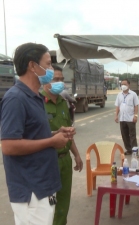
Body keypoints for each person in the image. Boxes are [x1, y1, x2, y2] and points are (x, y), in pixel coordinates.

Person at [0, 43, 74, 225]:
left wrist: (57, 133)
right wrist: (51, 142)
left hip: (43, 185)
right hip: (31, 190)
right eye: (48, 64)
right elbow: (8, 145)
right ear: (32, 66)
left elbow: (31, 134)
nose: (50, 69)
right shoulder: (16, 99)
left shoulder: (35, 97)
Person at [41, 64, 83, 225]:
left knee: (63, 202)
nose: (60, 83)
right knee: (48, 203)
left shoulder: (63, 102)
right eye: (56, 79)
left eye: (62, 80)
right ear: (45, 81)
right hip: (48, 160)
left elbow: (68, 134)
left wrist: (76, 155)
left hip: (65, 160)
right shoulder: (38, 103)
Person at [114, 79, 139, 155]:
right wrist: (116, 115)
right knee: (124, 135)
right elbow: (118, 106)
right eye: (122, 84)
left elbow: (136, 105)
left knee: (132, 135)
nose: (123, 86)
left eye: (125, 84)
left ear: (129, 85)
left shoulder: (133, 94)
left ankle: (135, 151)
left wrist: (135, 116)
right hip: (122, 118)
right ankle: (129, 150)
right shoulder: (119, 95)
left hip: (130, 118)